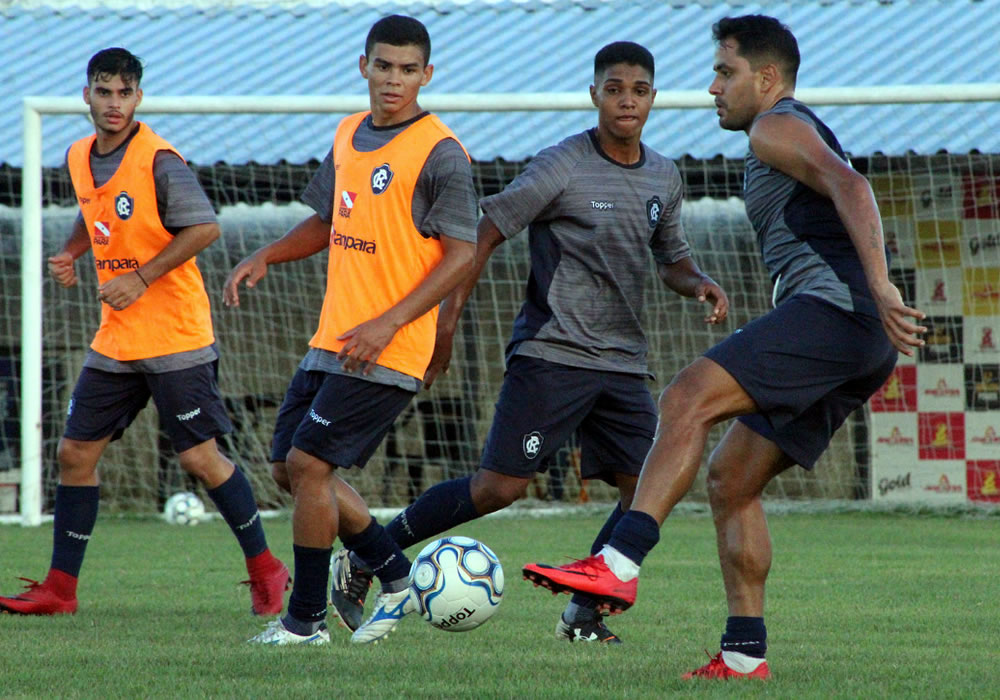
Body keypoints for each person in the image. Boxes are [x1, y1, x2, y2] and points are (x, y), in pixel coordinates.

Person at [522, 15, 928, 678]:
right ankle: (743, 655)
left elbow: (853, 186)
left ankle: (617, 564)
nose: (712, 87)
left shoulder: (776, 125)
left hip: (837, 314)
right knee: (731, 480)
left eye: (724, 72)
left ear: (765, 78)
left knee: (686, 397)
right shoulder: (778, 134)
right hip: (856, 334)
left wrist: (880, 286)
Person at [329, 41, 729, 645]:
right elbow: (482, 232)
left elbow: (672, 258)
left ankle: (583, 614)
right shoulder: (561, 164)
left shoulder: (664, 175)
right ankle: (368, 554)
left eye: (639, 90)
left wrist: (697, 283)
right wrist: (445, 324)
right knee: (499, 490)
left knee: (647, 489)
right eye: (614, 89)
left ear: (653, 98)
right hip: (552, 354)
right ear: (594, 94)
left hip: (623, 364)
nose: (627, 100)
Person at [0, 48, 289, 617]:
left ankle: (266, 569)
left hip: (176, 337)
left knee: (201, 460)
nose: (113, 103)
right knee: (75, 454)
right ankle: (61, 590)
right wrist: (72, 251)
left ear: (139, 97)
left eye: (124, 93)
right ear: (87, 95)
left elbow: (204, 227)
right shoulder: (80, 155)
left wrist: (140, 276)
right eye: (103, 92)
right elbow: (96, 208)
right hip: (116, 338)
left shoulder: (159, 159)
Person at [224, 15, 477, 645]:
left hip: (388, 346)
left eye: (408, 69)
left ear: (428, 74)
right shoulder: (347, 134)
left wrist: (390, 323)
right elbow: (329, 221)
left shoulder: (441, 152)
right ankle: (391, 567)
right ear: (363, 66)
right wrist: (267, 255)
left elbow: (462, 254)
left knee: (311, 465)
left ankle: (304, 621)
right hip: (331, 339)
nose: (395, 79)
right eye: (384, 66)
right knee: (289, 468)